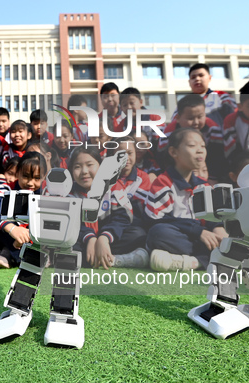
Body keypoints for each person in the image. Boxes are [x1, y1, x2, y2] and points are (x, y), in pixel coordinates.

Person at [145, 128, 227, 271]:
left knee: (232, 231)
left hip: (203, 238)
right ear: (173, 152)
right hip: (182, 237)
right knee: (158, 233)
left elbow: (212, 218)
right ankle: (207, 260)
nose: (200, 150)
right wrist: (197, 231)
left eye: (202, 146)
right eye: (192, 145)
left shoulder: (203, 185)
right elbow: (156, 220)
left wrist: (218, 227)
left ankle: (192, 261)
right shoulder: (163, 182)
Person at [69, 147, 147, 269]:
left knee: (137, 234)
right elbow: (71, 224)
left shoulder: (113, 186)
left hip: (109, 240)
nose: (84, 171)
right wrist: (89, 238)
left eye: (90, 165)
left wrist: (105, 237)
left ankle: (97, 258)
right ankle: (113, 259)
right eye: (77, 167)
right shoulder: (70, 193)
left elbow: (123, 217)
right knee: (67, 242)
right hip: (83, 241)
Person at [158, 94, 226, 182]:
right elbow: (163, 160)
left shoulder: (213, 130)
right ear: (178, 118)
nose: (196, 122)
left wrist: (212, 178)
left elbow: (217, 158)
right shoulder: (168, 135)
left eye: (200, 117)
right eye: (190, 118)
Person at [185, 63, 237, 127]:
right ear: (189, 82)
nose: (197, 79)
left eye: (201, 75)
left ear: (209, 78)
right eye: (193, 77)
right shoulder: (183, 102)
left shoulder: (222, 97)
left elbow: (236, 119)